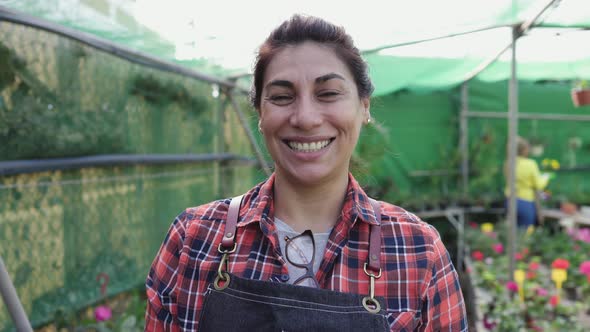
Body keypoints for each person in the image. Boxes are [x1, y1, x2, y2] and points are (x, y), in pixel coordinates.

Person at [145, 14, 467, 331]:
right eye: (282, 97)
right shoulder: (193, 240)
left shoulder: (418, 252)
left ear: (364, 106)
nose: (306, 118)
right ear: (260, 113)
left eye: (328, 93)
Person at [504, 137, 550, 229]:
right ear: (524, 150)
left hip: (509, 200)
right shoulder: (530, 164)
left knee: (512, 232)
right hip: (525, 201)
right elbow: (538, 185)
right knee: (525, 232)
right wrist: (546, 177)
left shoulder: (508, 163)